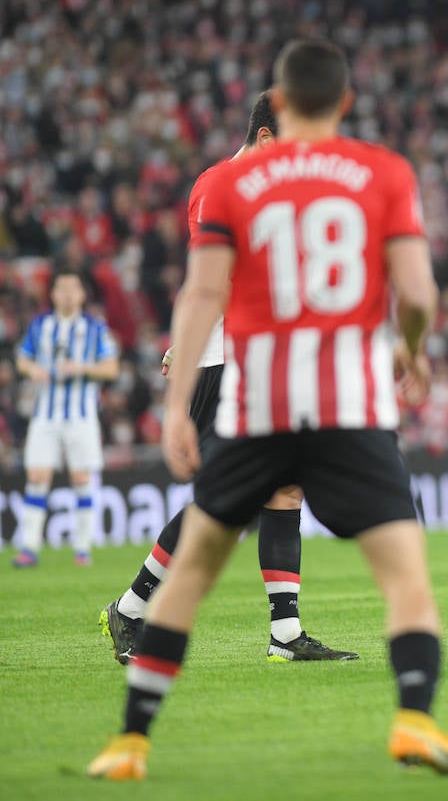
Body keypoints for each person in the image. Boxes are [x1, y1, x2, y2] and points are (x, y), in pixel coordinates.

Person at [87, 38, 448, 780]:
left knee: (213, 551)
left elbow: (202, 290)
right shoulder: (381, 172)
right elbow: (419, 293)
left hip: (258, 394)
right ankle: (415, 721)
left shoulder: (232, 187)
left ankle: (135, 736)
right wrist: (414, 351)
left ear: (280, 99)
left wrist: (172, 404)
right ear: (343, 102)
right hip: (343, 396)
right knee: (405, 574)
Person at [100, 92, 356, 665]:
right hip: (222, 362)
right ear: (265, 138)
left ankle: (285, 635)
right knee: (225, 500)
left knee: (284, 486)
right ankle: (133, 608)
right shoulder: (220, 185)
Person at [12, 270, 120, 567]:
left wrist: (82, 368)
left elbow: (111, 368)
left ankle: (83, 549)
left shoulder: (95, 328)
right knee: (36, 476)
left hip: (81, 416)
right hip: (45, 415)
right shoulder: (40, 325)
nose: (68, 294)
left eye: (74, 288)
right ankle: (29, 548)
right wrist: (32, 370)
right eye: (62, 289)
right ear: (54, 294)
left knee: (81, 478)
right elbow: (22, 358)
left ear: (82, 295)